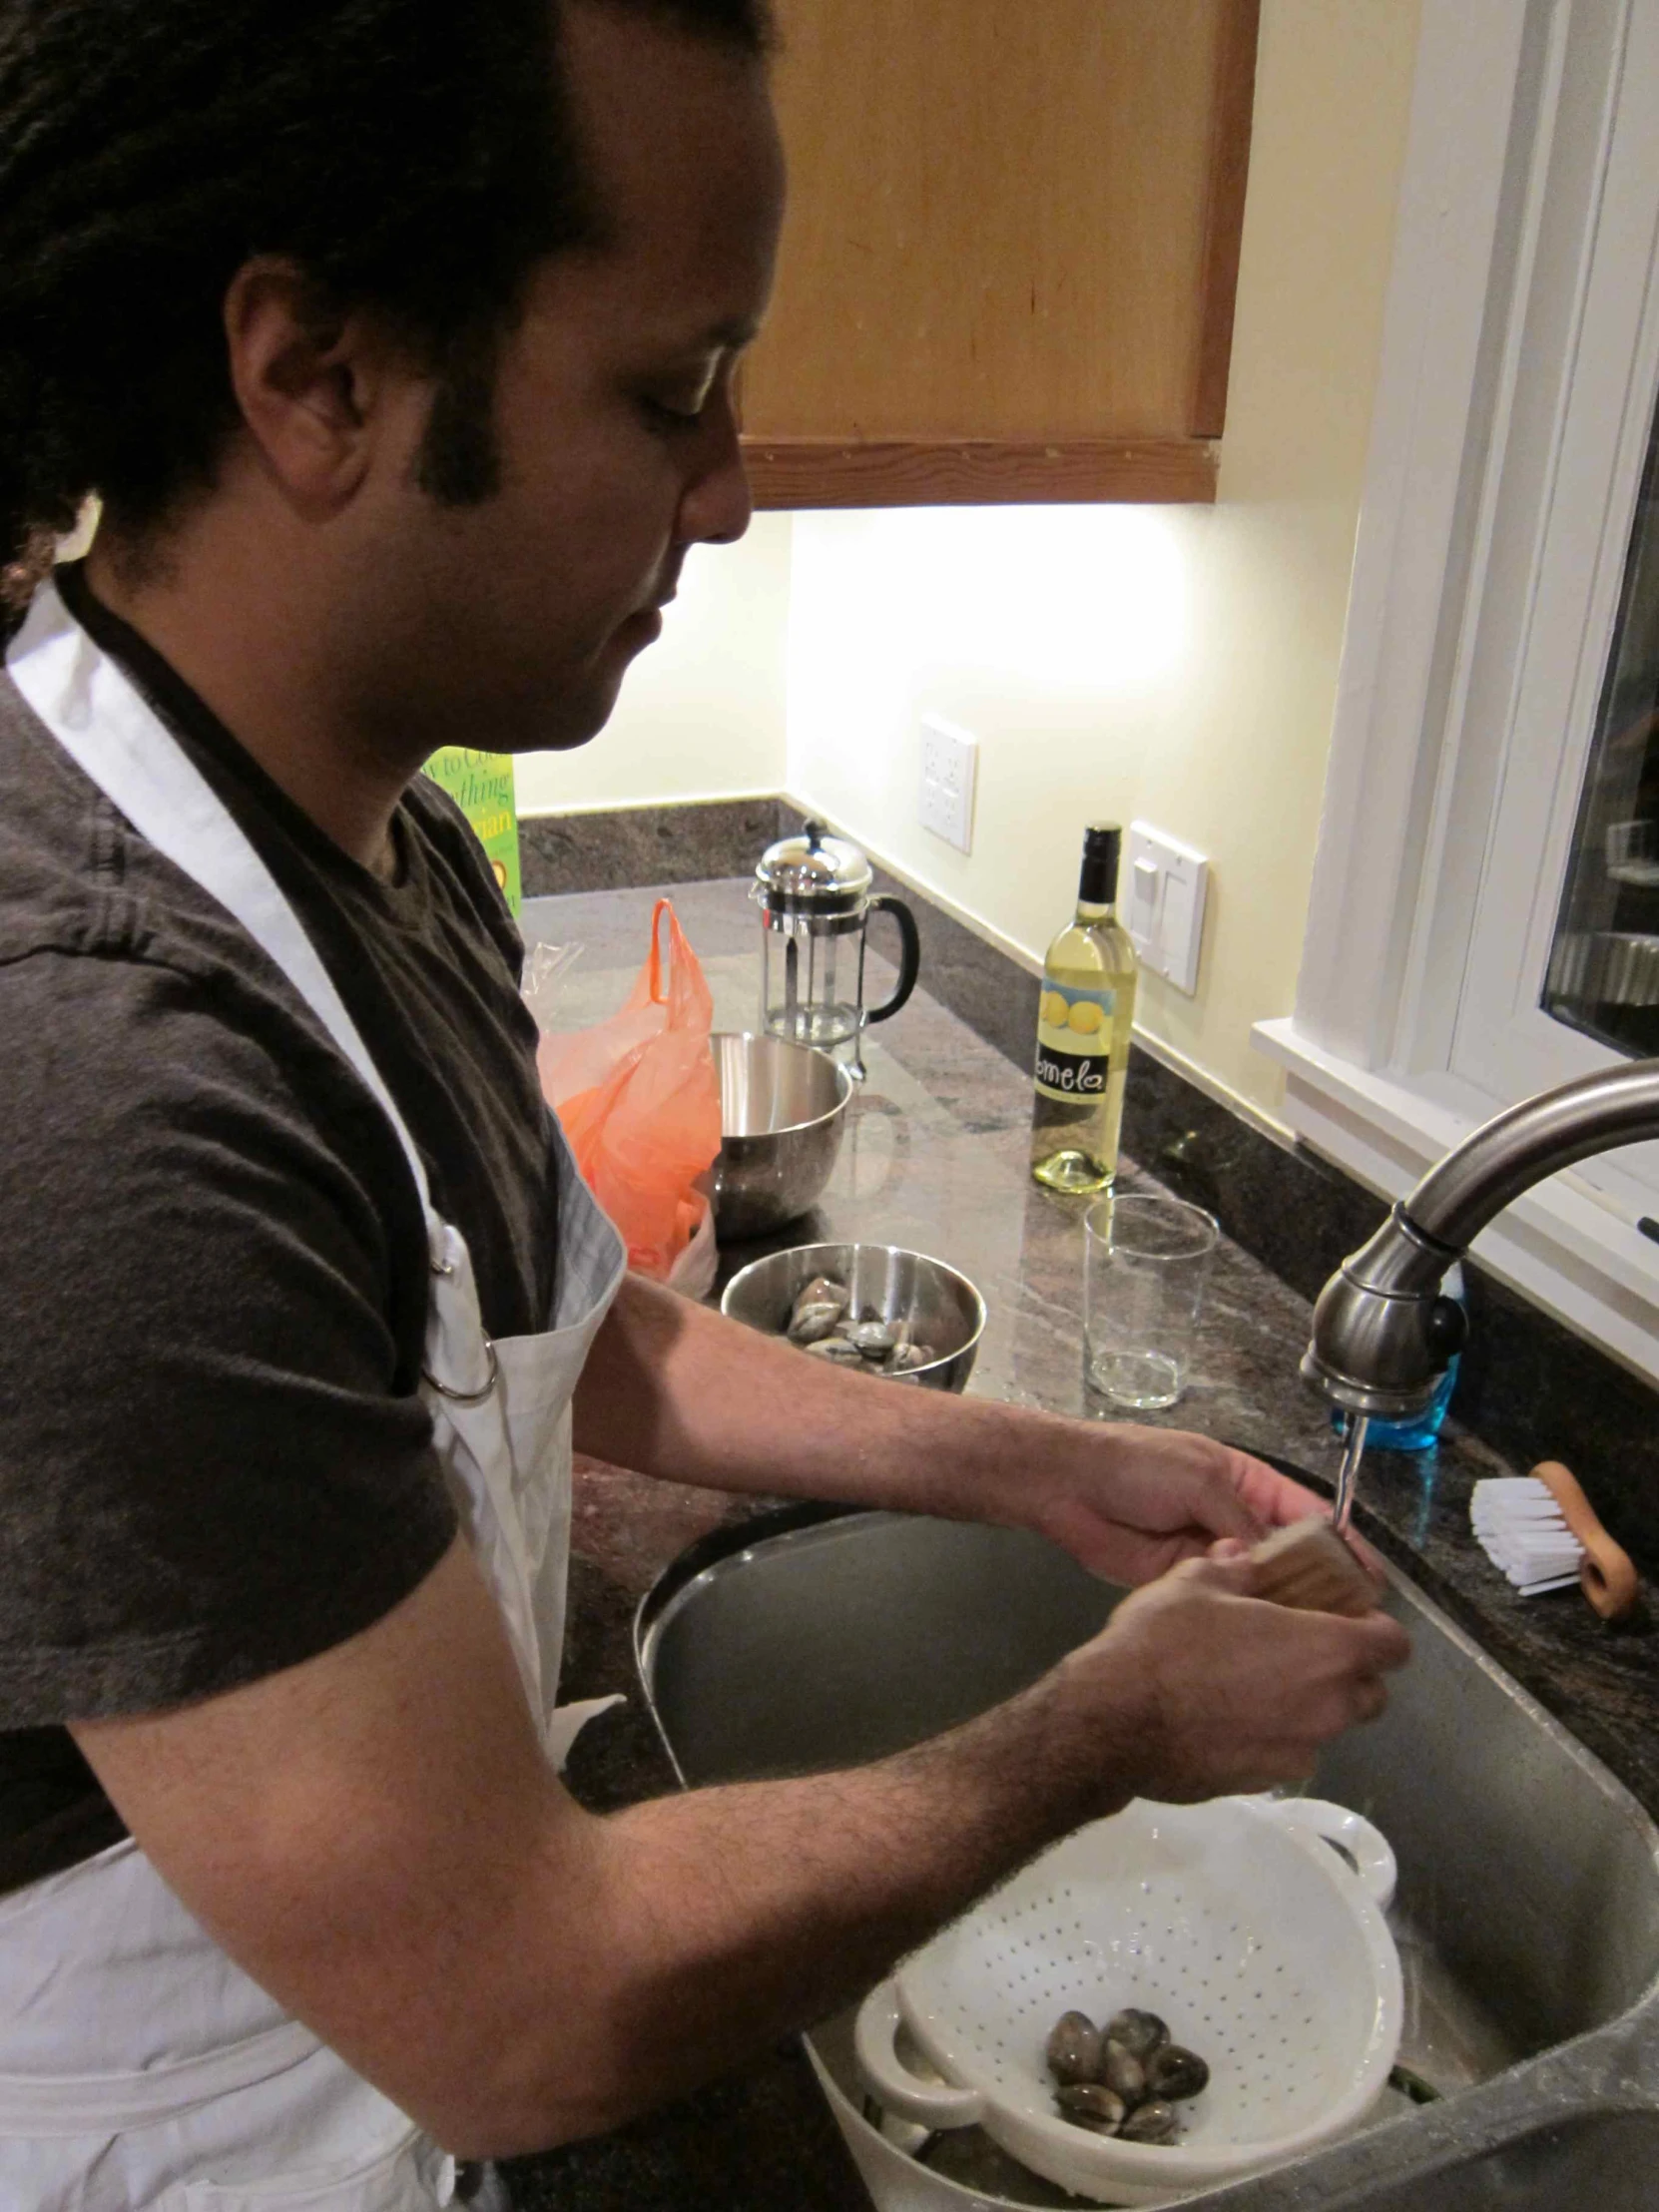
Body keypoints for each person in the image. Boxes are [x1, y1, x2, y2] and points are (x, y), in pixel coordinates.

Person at [0, 3, 1411, 2205]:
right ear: (315, 378)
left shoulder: (364, 835)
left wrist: (1031, 1463)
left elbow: (583, 1334)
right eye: (672, 393)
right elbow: (519, 2006)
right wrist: (1106, 1728)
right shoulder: (107, 1087)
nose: (733, 488)